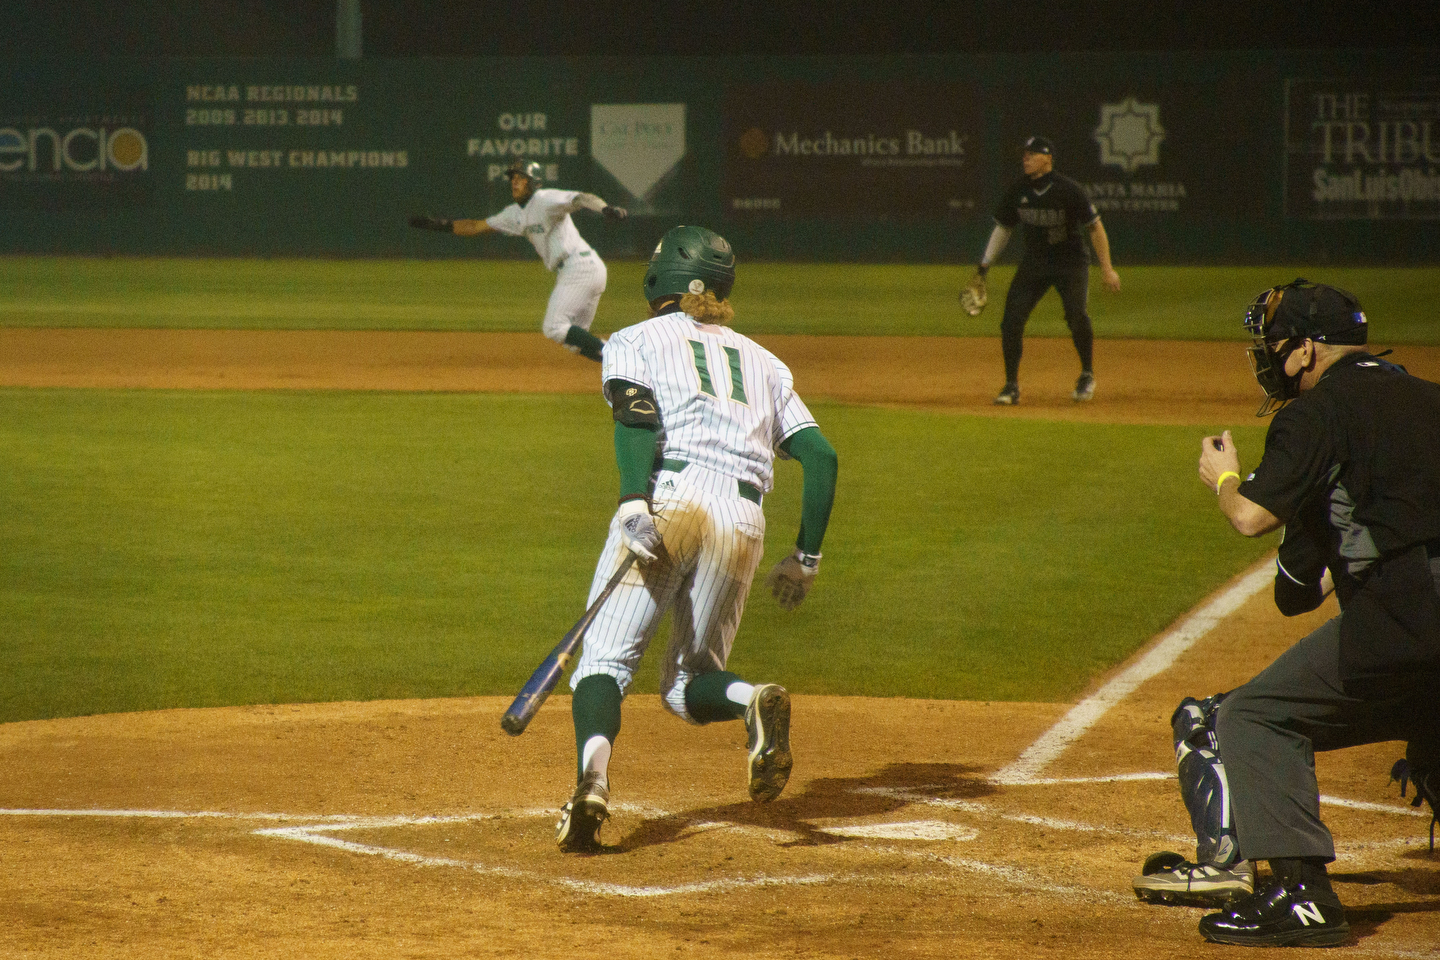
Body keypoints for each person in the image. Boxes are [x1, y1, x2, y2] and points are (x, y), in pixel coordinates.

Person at [553, 224, 839, 853]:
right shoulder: (766, 362)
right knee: (689, 683)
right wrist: (806, 558)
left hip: (670, 500)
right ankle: (751, 699)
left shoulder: (634, 338)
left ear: (664, 279)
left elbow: (636, 414)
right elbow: (821, 458)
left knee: (603, 662)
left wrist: (633, 499)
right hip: (743, 518)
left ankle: (591, 786)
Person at [1188, 278, 1440, 947]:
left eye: (1275, 344)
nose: (1271, 357)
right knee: (1427, 705)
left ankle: (1301, 893)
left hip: (1408, 615)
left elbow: (1249, 519)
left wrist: (1223, 476)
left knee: (1253, 715)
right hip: (1423, 626)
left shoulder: (1316, 413)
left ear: (1306, 350)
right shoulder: (1429, 398)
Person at [408, 159, 627, 361]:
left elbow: (582, 198)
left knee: (554, 327)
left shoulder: (545, 199)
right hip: (580, 269)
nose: (514, 182)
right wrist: (438, 226)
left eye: (520, 178)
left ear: (533, 182)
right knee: (574, 342)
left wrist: (605, 208)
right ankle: (626, 362)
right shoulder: (514, 214)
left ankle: (619, 356)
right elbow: (475, 226)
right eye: (512, 178)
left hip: (580, 267)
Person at [965, 136, 1120, 406]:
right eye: (1023, 154)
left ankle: (1086, 374)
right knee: (1011, 320)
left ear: (1047, 158)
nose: (1025, 158)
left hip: (1071, 261)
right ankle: (1011, 385)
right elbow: (1004, 228)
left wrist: (1107, 268)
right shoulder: (1018, 191)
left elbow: (1095, 227)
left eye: (1031, 154)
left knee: (1076, 314)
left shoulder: (1069, 190)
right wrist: (984, 264)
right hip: (1036, 262)